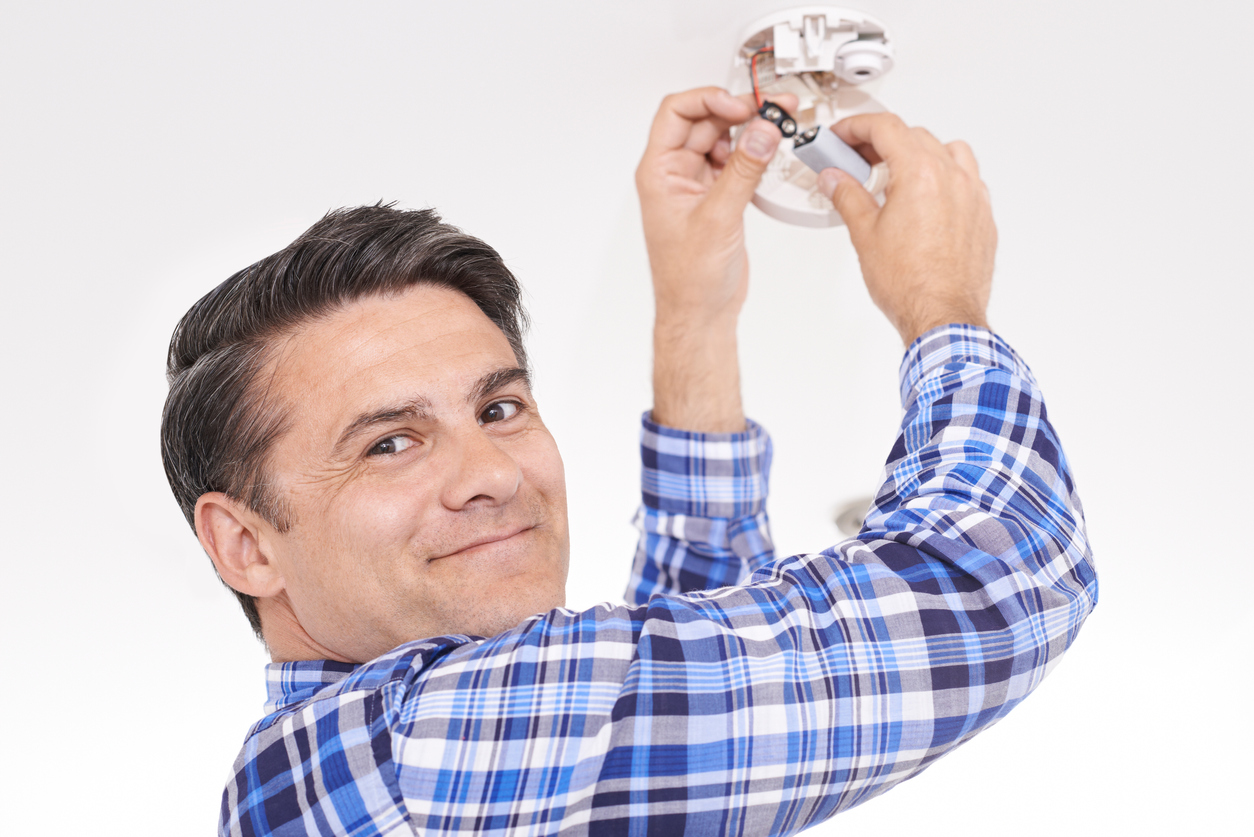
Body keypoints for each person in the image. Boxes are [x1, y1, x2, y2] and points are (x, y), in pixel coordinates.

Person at [161, 87, 1097, 836]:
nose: (490, 471)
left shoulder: (353, 767)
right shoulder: (413, 750)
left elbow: (669, 690)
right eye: (390, 442)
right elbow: (998, 579)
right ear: (244, 544)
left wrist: (695, 315)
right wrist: (943, 301)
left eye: (500, 407)